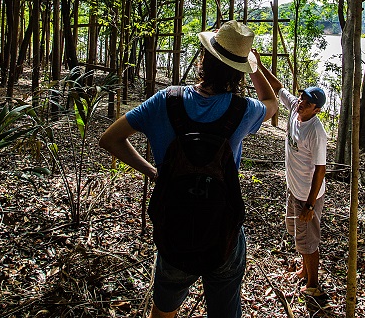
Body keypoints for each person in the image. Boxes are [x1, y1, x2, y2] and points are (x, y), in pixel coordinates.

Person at [99, 20, 278, 318]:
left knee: (164, 310)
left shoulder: (165, 100)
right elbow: (271, 101)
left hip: (175, 227)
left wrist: (154, 172)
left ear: (203, 59)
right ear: (239, 72)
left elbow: (110, 139)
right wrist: (256, 67)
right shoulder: (244, 110)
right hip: (224, 234)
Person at [254, 52, 329, 298]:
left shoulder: (316, 132)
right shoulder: (296, 109)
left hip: (309, 194)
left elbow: (320, 169)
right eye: (302, 97)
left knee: (309, 239)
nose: (301, 103)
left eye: (307, 103)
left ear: (316, 110)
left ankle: (313, 284)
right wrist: (259, 65)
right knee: (297, 232)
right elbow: (277, 86)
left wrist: (309, 204)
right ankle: (304, 269)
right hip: (293, 187)